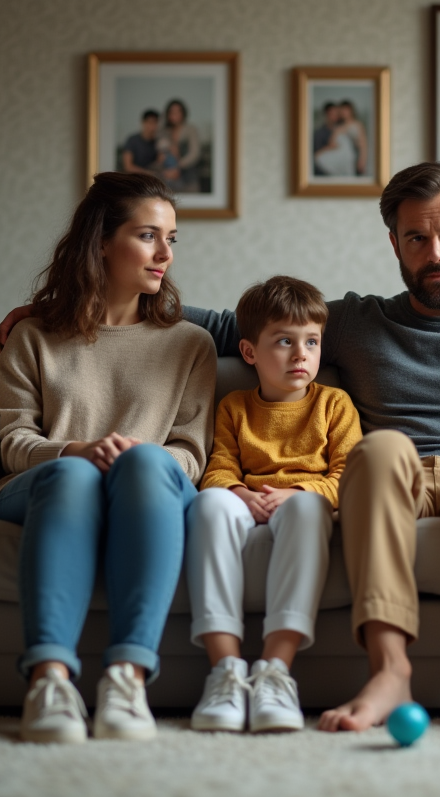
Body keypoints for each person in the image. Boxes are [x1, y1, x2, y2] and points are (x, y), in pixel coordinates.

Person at [0, 161, 440, 741]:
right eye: (417, 239)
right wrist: (62, 307)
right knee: (378, 448)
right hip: (386, 473)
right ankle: (390, 670)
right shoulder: (355, 323)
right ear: (395, 243)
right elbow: (239, 322)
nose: (436, 254)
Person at [0, 171, 216, 743]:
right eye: (148, 236)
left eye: (171, 238)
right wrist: (77, 450)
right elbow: (14, 442)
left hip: (148, 487)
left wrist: (142, 457)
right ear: (100, 243)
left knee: (145, 463)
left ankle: (126, 678)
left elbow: (190, 453)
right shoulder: (33, 337)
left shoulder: (190, 343)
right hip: (50, 485)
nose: (166, 253)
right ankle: (49, 681)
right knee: (72, 475)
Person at [187, 275, 362, 733]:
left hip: (304, 504)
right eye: (284, 341)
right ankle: (224, 670)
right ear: (250, 353)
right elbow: (218, 469)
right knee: (207, 505)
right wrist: (239, 494)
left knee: (306, 509)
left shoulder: (334, 404)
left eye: (311, 341)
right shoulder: (233, 407)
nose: (301, 354)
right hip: (247, 504)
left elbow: (349, 476)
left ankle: (274, 672)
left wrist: (298, 493)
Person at [158, 99, 201, 192]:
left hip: (188, 177)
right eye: (172, 112)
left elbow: (194, 154)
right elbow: (159, 148)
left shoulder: (190, 129)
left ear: (183, 113)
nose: (175, 114)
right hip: (168, 177)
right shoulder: (165, 131)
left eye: (178, 111)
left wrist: (178, 166)